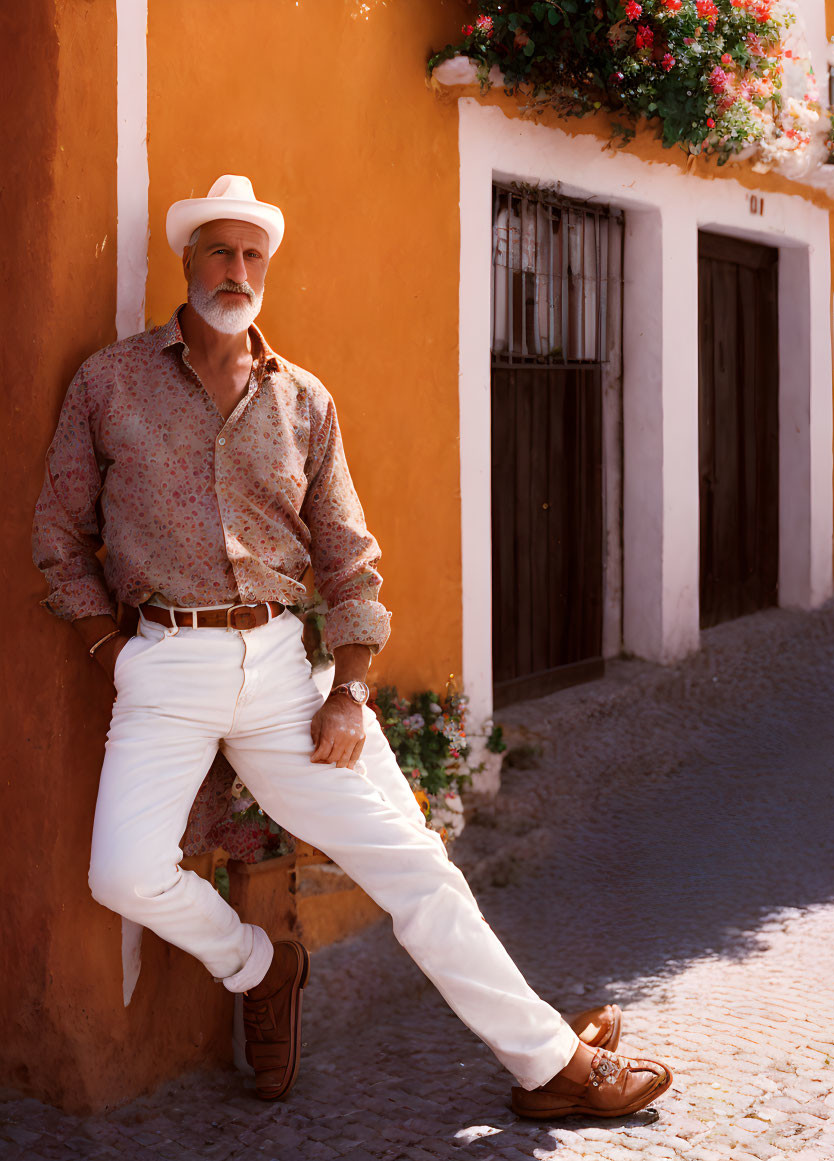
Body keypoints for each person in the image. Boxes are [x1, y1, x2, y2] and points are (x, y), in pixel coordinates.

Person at [31, 174, 673, 1116]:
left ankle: (551, 1065)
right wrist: (109, 655)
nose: (237, 269)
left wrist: (350, 691)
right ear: (186, 261)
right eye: (220, 249)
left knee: (412, 870)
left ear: (267, 269)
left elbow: (349, 560)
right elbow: (58, 534)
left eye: (253, 254)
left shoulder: (303, 401)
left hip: (291, 675)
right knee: (121, 872)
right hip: (162, 663)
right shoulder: (111, 380)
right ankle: (261, 966)